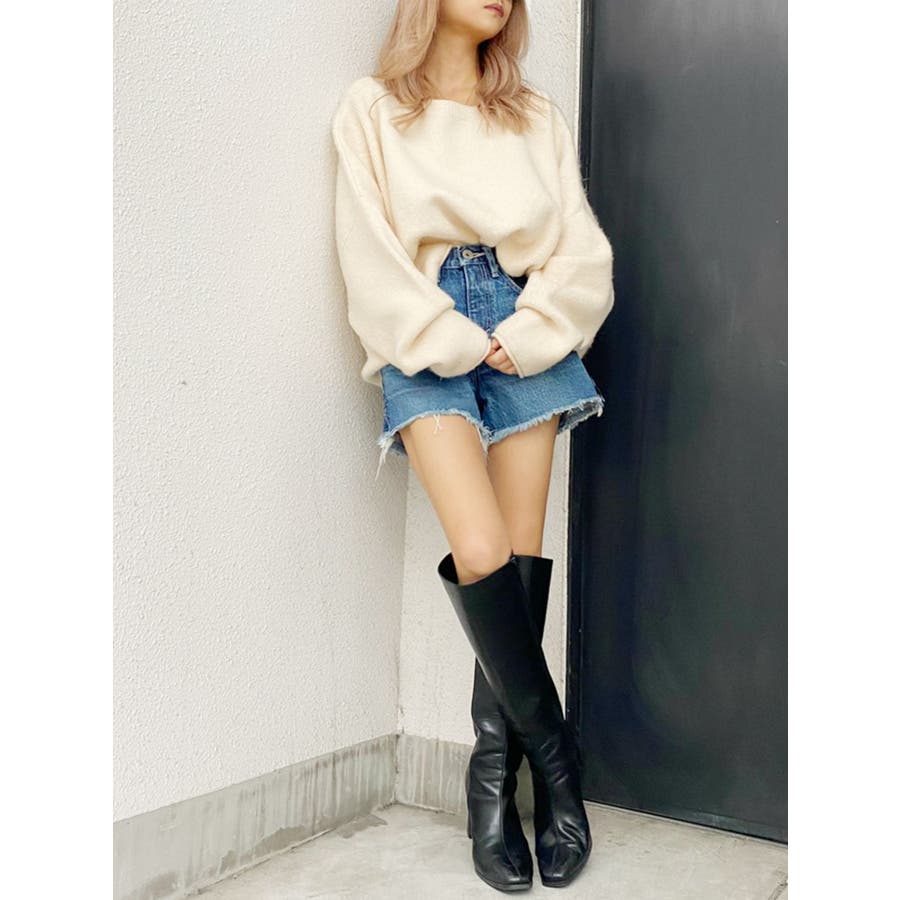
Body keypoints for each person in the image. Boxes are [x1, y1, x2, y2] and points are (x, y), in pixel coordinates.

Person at [331, 0, 614, 892]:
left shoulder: (534, 117)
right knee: (483, 551)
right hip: (424, 331)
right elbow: (368, 253)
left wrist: (527, 331)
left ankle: (492, 777)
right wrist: (451, 336)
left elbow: (579, 250)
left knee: (518, 560)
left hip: (524, 323)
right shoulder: (373, 109)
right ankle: (557, 764)